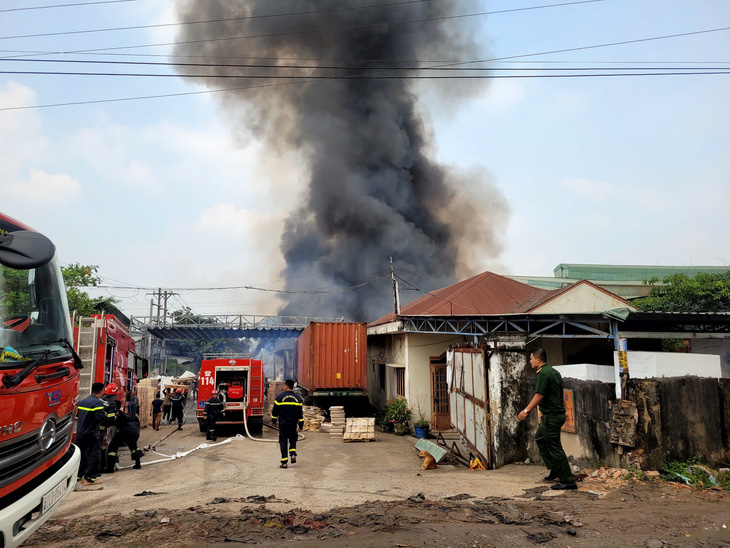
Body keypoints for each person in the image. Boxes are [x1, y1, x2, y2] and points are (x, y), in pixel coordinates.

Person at [518, 347, 577, 490]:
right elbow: (557, 393)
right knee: (540, 438)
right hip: (555, 414)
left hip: (551, 417)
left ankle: (568, 480)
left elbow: (539, 395)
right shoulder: (554, 372)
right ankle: (555, 469)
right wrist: (564, 409)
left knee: (554, 447)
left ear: (538, 360)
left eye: (531, 358)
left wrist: (526, 410)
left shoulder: (543, 374)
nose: (530, 361)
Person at [76, 382, 107, 485]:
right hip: (91, 434)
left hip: (81, 433)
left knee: (82, 455)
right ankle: (90, 478)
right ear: (101, 391)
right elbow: (100, 417)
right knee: (94, 455)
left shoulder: (83, 402)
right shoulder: (97, 403)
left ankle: (79, 476)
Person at [270, 379, 303, 469]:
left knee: (283, 442)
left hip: (283, 425)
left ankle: (284, 463)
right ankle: (292, 454)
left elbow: (275, 411)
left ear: (286, 386)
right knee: (293, 440)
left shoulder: (280, 397)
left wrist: (273, 421)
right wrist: (301, 425)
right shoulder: (298, 399)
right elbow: (300, 413)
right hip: (293, 424)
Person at [105, 401, 144, 472]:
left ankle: (110, 468)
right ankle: (138, 464)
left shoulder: (115, 414)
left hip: (126, 430)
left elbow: (110, 422)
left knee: (112, 446)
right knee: (133, 447)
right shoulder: (121, 413)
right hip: (134, 429)